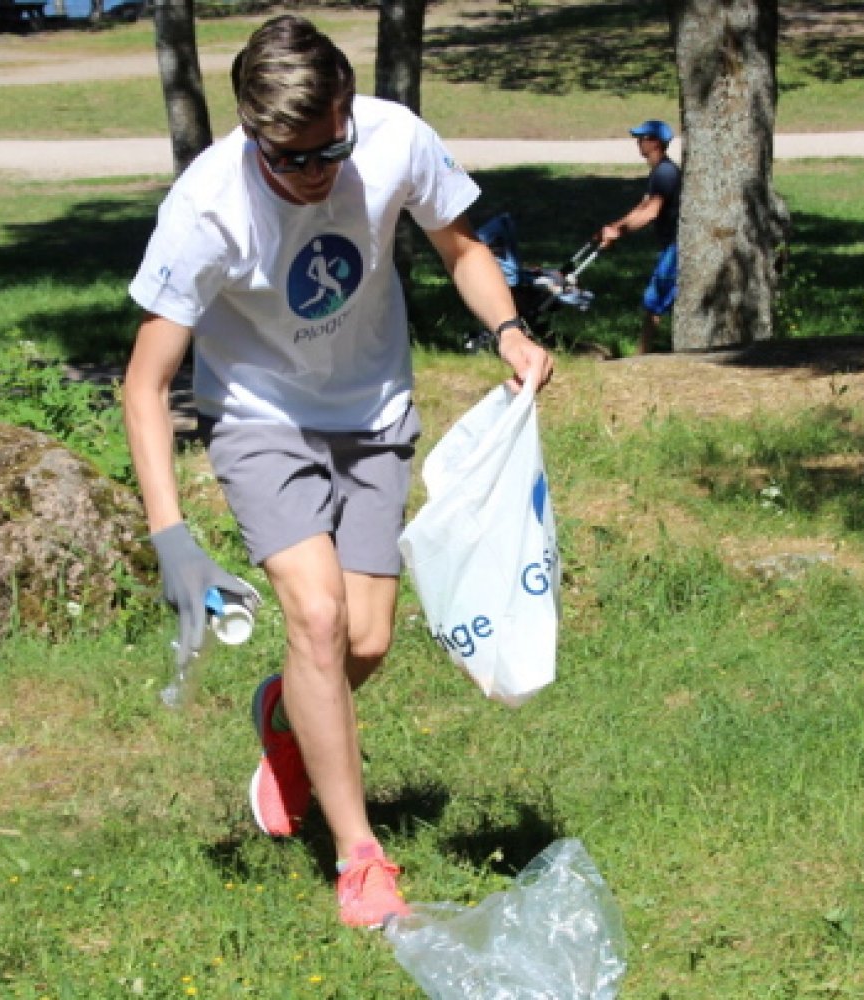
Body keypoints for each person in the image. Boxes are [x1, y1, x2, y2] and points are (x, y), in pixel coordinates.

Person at [123, 15, 554, 929]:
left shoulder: (397, 140)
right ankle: (360, 857)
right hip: (260, 418)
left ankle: (285, 720)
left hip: (374, 411)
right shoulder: (206, 208)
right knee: (314, 618)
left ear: (350, 113)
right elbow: (146, 380)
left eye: (329, 152)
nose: (314, 176)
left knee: (362, 645)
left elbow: (460, 245)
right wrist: (171, 538)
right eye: (289, 160)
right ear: (250, 131)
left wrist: (507, 331)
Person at [598, 119, 681, 355]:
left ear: (655, 143)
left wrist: (619, 232)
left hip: (676, 246)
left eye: (642, 138)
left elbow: (651, 212)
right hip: (668, 244)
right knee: (658, 298)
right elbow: (642, 206)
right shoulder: (660, 171)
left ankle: (642, 354)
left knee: (654, 299)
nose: (638, 143)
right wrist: (614, 227)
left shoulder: (665, 172)